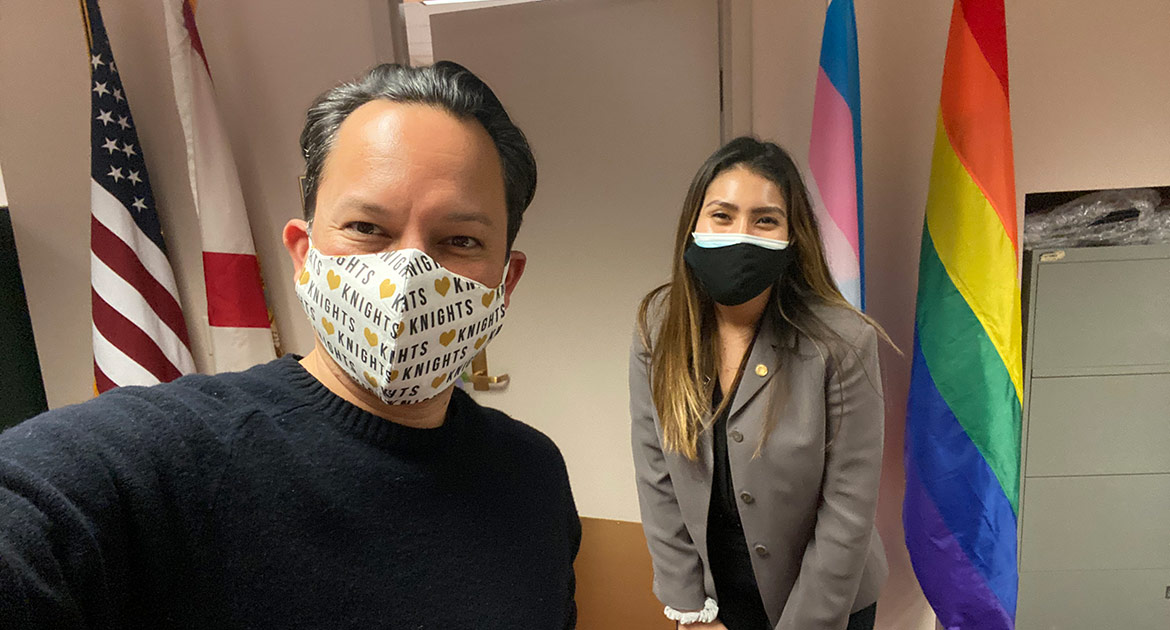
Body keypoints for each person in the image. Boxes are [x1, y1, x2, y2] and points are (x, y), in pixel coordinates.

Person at [0, 62, 579, 629]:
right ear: (304, 255)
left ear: (506, 280)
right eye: (367, 229)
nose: (409, 275)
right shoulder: (168, 459)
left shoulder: (533, 472)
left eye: (459, 239)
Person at [630, 137, 889, 630]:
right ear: (693, 225)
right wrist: (689, 609)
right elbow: (656, 476)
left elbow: (848, 509)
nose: (740, 235)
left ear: (793, 238)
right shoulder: (657, 326)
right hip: (716, 599)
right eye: (722, 216)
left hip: (823, 600)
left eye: (765, 220)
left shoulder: (843, 341)